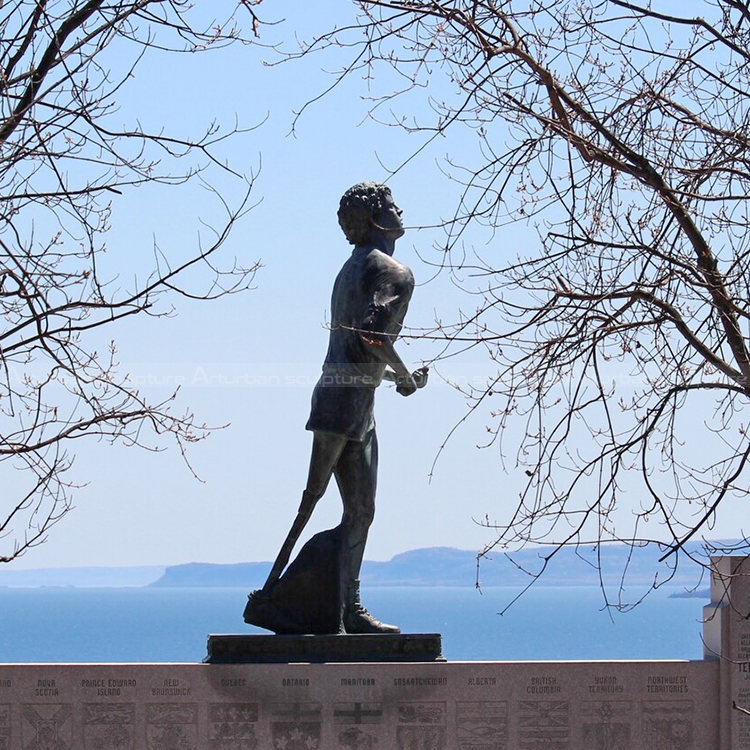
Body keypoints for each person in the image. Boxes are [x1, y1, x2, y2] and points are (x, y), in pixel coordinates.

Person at [258, 182, 428, 634]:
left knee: (357, 509)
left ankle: (344, 606)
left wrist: (394, 378)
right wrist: (407, 377)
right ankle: (281, 596)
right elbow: (374, 338)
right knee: (315, 502)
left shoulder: (347, 271)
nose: (400, 210)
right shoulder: (395, 272)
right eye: (392, 206)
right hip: (347, 404)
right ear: (376, 220)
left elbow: (355, 348)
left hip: (345, 397)